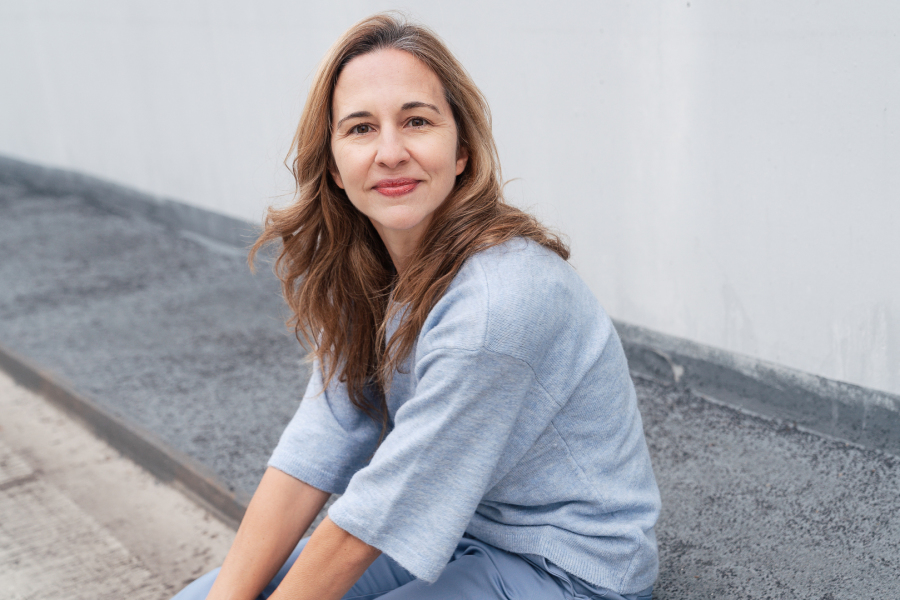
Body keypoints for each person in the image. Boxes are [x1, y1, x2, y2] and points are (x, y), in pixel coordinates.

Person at [172, 12, 660, 600]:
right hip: (456, 532)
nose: (390, 152)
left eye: (417, 121)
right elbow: (322, 437)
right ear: (334, 165)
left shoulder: (498, 301)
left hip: (566, 568)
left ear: (462, 151)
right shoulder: (370, 272)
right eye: (360, 128)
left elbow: (384, 506)